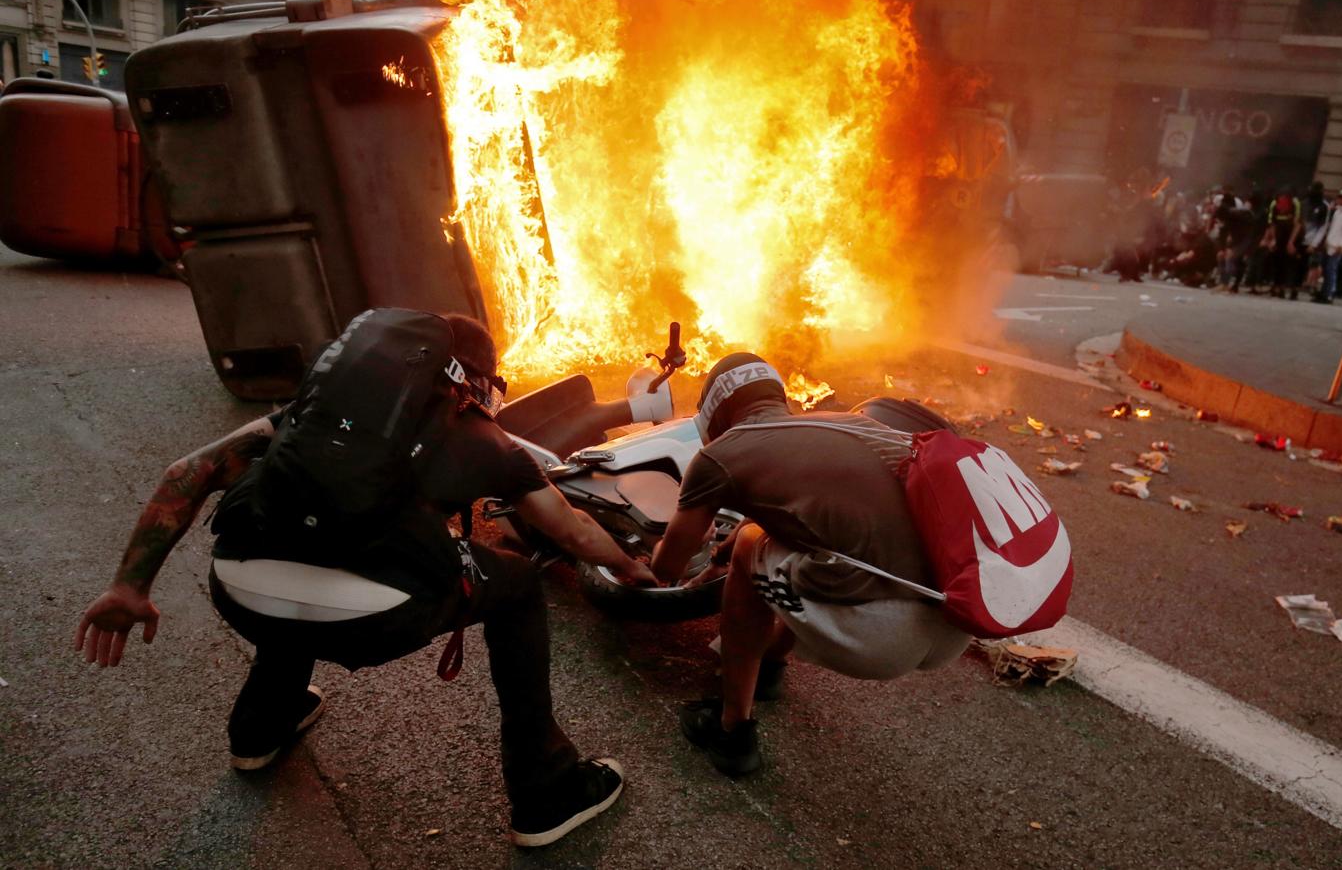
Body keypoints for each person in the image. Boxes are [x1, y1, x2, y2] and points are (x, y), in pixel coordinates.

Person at [74, 310, 657, 847]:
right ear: (474, 381)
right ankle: (546, 791)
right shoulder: (487, 441)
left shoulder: (309, 414)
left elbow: (188, 472)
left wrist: (130, 586)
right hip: (375, 620)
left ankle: (261, 728)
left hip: (241, 591)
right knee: (519, 588)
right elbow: (573, 532)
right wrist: (632, 568)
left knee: (301, 528)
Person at [648, 354, 969, 776]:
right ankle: (769, 668)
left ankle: (732, 733)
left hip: (879, 637)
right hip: (954, 621)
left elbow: (669, 567)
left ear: (712, 413)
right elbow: (791, 511)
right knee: (796, 545)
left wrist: (661, 553)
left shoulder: (721, 454)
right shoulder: (847, 424)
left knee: (750, 546)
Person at [1263, 186, 1302, 298]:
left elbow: (1297, 224)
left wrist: (1291, 242)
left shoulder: (1295, 203)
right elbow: (1272, 224)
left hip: (1294, 235)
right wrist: (1273, 239)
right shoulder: (1274, 204)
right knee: (1278, 261)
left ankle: (1292, 288)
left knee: (1291, 262)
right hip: (1280, 234)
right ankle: (1277, 286)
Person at [1298, 181, 1330, 301]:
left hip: (1315, 241)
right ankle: (1300, 283)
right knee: (1302, 264)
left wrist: (1314, 243)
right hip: (1302, 238)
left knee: (1315, 264)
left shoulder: (1324, 206)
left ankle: (1312, 285)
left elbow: (1323, 226)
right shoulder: (1304, 203)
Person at [1319, 188, 1342, 304]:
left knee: (1332, 269)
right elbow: (1332, 228)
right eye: (1339, 197)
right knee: (1326, 269)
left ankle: (1330, 293)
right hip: (1330, 243)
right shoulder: (1337, 212)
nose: (1340, 200)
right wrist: (1327, 240)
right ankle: (1323, 292)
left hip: (1338, 246)